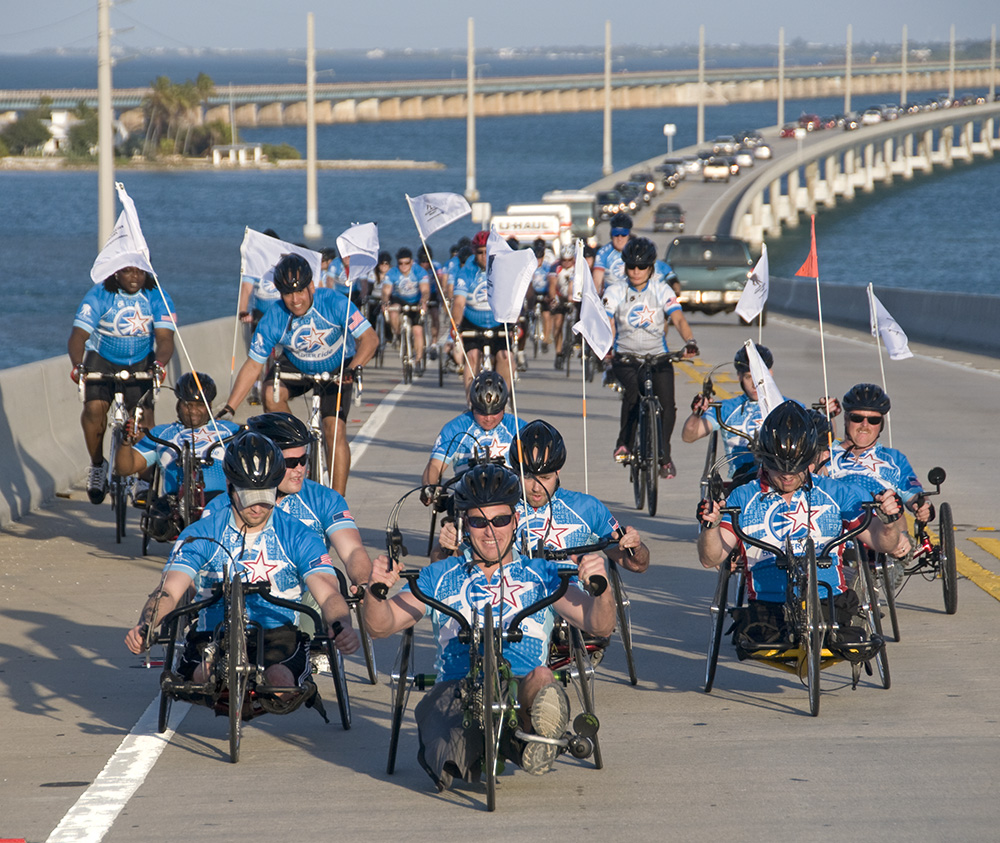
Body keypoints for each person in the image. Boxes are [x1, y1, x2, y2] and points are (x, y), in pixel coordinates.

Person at [364, 463, 616, 788]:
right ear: (464, 525)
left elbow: (600, 625)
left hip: (522, 688)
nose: (490, 531)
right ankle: (513, 743)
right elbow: (380, 626)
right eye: (479, 522)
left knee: (542, 675)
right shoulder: (438, 577)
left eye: (500, 520)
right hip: (457, 689)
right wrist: (375, 591)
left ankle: (536, 736)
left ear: (515, 520)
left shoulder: (543, 575)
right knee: (446, 760)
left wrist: (603, 588)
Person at [124, 431, 359, 712]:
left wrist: (342, 624)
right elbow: (170, 589)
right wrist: (147, 624)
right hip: (212, 630)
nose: (258, 506)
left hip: (278, 632)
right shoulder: (201, 532)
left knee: (281, 683)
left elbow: (328, 591)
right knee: (200, 679)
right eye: (249, 495)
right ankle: (213, 668)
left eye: (266, 495)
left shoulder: (298, 534)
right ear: (230, 487)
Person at [697, 401, 904, 647]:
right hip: (769, 605)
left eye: (795, 470)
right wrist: (711, 527)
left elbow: (884, 544)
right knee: (754, 638)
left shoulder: (839, 493)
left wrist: (889, 522)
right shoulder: (743, 496)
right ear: (764, 459)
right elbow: (710, 559)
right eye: (778, 468)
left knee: (852, 641)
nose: (786, 477)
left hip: (830, 600)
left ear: (811, 460)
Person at [219, 253, 378, 495]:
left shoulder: (334, 302)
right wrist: (230, 407)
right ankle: (294, 439)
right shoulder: (274, 316)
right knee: (270, 394)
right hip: (296, 364)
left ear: (312, 286)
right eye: (287, 294)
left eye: (300, 291)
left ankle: (338, 501)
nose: (295, 300)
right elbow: (253, 365)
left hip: (337, 367)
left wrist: (354, 366)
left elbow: (370, 339)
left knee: (333, 429)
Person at [69, 264, 176, 505]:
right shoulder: (99, 295)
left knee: (144, 420)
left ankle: (145, 480)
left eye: (140, 271)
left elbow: (165, 339)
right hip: (101, 359)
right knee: (94, 410)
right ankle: (98, 466)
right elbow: (78, 336)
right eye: (128, 271)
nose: (135, 277)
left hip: (141, 362)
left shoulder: (158, 297)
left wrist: (159, 363)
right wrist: (78, 365)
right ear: (116, 272)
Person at [236, 412, 373, 591]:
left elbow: (353, 550)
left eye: (303, 460)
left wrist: (364, 582)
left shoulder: (325, 499)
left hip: (308, 601)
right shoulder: (230, 502)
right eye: (291, 462)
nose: (300, 469)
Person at [604, 237, 698, 480]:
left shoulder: (661, 289)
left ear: (651, 268)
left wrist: (690, 342)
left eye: (642, 267)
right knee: (634, 392)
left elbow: (677, 319)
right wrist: (605, 347)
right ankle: (624, 443)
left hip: (658, 356)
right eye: (631, 267)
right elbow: (607, 320)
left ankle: (664, 455)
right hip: (626, 357)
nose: (636, 272)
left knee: (668, 405)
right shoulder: (616, 290)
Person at [114, 372, 240, 541]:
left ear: (209, 405)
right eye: (188, 405)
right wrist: (126, 441)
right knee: (157, 522)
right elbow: (124, 468)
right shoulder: (161, 433)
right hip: (174, 502)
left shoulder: (229, 430)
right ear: (178, 404)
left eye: (199, 405)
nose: (193, 411)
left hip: (220, 499)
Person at [827, 383, 931, 580]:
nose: (865, 425)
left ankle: (894, 549)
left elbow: (912, 493)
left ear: (881, 424)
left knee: (890, 503)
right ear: (846, 419)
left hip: (884, 524)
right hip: (840, 528)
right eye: (858, 418)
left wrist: (922, 507)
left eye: (873, 420)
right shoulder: (826, 455)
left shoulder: (893, 458)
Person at [421, 371, 524, 489]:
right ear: (472, 407)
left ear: (504, 408)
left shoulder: (518, 427)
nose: (489, 418)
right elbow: (434, 466)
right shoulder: (455, 428)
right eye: (482, 412)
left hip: (509, 496)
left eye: (495, 412)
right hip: (467, 496)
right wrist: (429, 486)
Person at [452, 230, 513, 397]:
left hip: (498, 321)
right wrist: (455, 327)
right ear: (474, 252)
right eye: (480, 252)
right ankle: (470, 401)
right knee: (472, 356)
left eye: (488, 252)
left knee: (506, 357)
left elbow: (513, 297)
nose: (484, 256)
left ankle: (504, 400)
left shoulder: (502, 268)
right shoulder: (466, 271)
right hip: (473, 322)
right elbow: (458, 302)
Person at [382, 247, 429, 372]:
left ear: (412, 262)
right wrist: (385, 302)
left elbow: (425, 291)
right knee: (393, 311)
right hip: (399, 300)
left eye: (406, 263)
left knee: (418, 331)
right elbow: (386, 291)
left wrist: (423, 302)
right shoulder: (392, 273)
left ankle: (418, 360)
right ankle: (397, 334)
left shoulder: (419, 271)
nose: (403, 266)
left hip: (415, 301)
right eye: (400, 263)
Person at [591, 212, 632, 294]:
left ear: (629, 235)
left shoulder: (635, 250)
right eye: (616, 234)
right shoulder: (603, 252)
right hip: (611, 297)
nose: (620, 238)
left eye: (623, 234)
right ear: (611, 235)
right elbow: (597, 282)